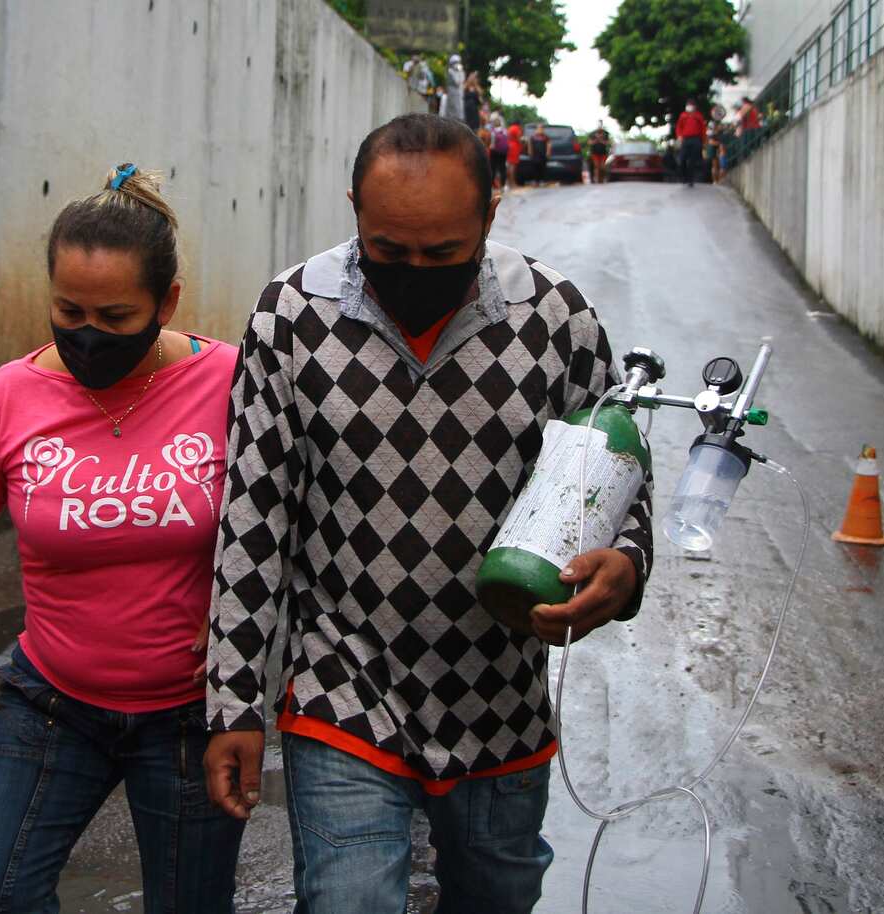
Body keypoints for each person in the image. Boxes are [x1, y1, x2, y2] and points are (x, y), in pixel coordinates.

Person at [202, 113, 653, 914]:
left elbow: (616, 473)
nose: (415, 270)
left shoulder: (558, 321)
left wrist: (625, 564)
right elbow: (253, 516)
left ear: (490, 214)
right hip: (342, 688)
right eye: (388, 252)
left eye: (444, 253)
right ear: (354, 212)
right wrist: (233, 702)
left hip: (502, 702)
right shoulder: (290, 317)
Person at [0, 165, 244, 913]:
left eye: (114, 316)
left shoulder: (231, 384)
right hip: (52, 703)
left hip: (189, 715)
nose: (87, 335)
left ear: (166, 302)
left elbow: (289, 525)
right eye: (68, 310)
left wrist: (250, 650)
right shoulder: (10, 394)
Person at [675, 98, 707, 187]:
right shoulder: (683, 115)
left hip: (696, 139)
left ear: (694, 107)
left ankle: (690, 180)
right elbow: (678, 127)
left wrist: (703, 141)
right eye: (688, 105)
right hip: (685, 139)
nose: (689, 107)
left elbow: (703, 129)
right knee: (682, 159)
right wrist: (679, 136)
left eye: (691, 105)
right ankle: (684, 176)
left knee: (692, 161)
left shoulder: (698, 116)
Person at [489, 113, 510, 190]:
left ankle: (491, 186)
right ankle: (504, 186)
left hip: (495, 152)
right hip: (503, 152)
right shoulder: (504, 131)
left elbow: (492, 144)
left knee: (493, 168)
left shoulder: (493, 131)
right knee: (502, 168)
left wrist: (491, 147)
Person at [442, 53, 465, 121]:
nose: (457, 64)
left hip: (459, 95)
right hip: (452, 94)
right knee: (452, 111)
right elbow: (457, 82)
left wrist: (460, 72)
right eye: (455, 62)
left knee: (459, 111)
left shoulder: (461, 72)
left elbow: (462, 81)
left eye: (458, 62)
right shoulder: (450, 71)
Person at [506, 118, 524, 187]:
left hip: (509, 146)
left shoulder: (510, 128)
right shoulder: (517, 128)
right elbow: (519, 138)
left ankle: (508, 182)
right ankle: (513, 183)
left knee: (509, 165)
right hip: (514, 147)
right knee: (513, 166)